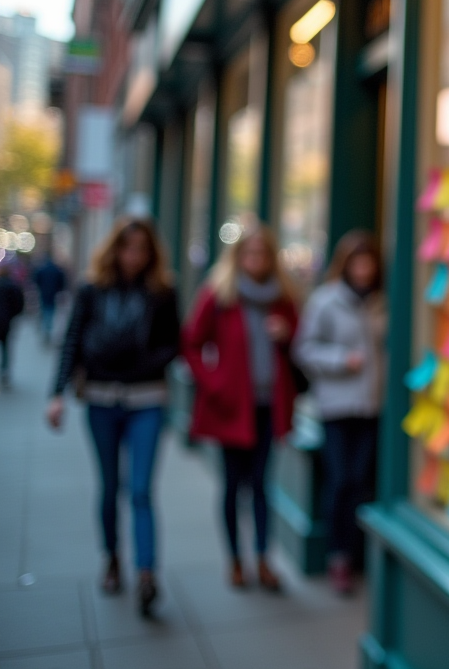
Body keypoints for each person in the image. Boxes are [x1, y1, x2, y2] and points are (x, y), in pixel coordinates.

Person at [45, 219, 180, 617]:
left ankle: (146, 575)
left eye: (141, 248)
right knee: (109, 486)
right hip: (102, 400)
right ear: (115, 249)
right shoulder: (91, 290)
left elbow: (175, 342)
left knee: (140, 490)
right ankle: (111, 558)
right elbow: (71, 340)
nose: (133, 256)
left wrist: (144, 363)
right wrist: (57, 394)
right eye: (127, 247)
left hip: (147, 399)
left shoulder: (163, 292)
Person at [183, 226, 298, 592]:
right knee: (233, 486)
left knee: (262, 485)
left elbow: (301, 345)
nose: (256, 261)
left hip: (269, 406)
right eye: (249, 254)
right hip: (231, 408)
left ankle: (264, 558)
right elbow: (191, 343)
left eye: (263, 254)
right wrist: (213, 381)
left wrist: (287, 335)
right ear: (238, 258)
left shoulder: (283, 299)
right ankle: (235, 560)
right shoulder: (219, 295)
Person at [293, 231, 385, 595]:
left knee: (363, 482)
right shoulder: (325, 301)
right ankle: (338, 556)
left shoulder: (383, 303)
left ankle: (361, 556)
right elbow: (304, 350)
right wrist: (340, 360)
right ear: (344, 265)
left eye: (369, 262)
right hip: (336, 406)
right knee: (341, 480)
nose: (363, 270)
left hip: (373, 406)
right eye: (357, 262)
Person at [0, 261, 26, 387]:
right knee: (6, 346)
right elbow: (19, 304)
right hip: (6, 321)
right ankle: (5, 369)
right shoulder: (13, 285)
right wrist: (12, 316)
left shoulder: (12, 285)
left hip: (6, 319)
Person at [33, 255, 67, 344]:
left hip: (43, 294)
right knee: (50, 312)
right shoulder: (57, 270)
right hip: (53, 295)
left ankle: (45, 329)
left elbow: (36, 279)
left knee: (44, 311)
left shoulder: (42, 269)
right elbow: (61, 282)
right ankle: (47, 329)